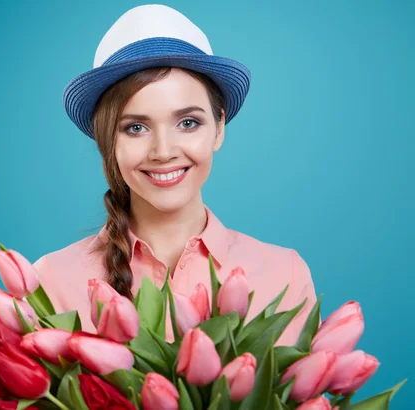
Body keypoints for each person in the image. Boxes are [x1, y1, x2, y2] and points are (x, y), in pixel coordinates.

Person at [33, 4, 316, 345]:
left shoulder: (284, 275)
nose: (163, 151)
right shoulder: (48, 283)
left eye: (188, 123)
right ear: (107, 140)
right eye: (135, 127)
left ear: (219, 128)